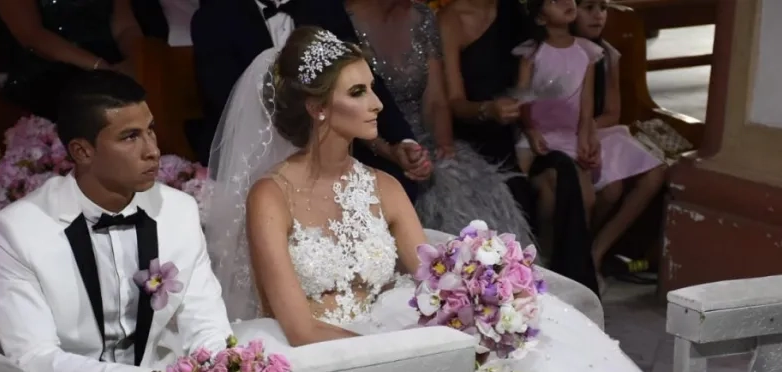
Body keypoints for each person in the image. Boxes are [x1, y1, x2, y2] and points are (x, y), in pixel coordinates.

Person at [203, 26, 745, 372]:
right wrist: (413, 354)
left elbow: (433, 277)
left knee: (544, 362)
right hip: (325, 350)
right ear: (319, 109)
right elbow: (298, 327)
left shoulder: (385, 187)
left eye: (374, 88)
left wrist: (476, 304)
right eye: (359, 93)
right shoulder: (271, 197)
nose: (377, 104)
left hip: (395, 320)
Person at [0, 70, 234, 372]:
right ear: (82, 151)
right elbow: (34, 360)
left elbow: (203, 317)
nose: (153, 150)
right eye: (130, 137)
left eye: (151, 131)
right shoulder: (18, 230)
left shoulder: (178, 211)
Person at [190, 0, 431, 201]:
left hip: (331, 137)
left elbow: (360, 75)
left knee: (394, 182)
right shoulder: (213, 17)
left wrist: (399, 140)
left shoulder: (322, 5)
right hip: (253, 149)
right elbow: (227, 101)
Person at [439, 0, 600, 294]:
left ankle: (565, 287)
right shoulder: (451, 18)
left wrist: (586, 128)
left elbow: (561, 51)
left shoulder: (517, 11)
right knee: (515, 195)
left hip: (523, 135)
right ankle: (522, 287)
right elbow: (452, 102)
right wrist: (488, 110)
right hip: (476, 142)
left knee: (563, 172)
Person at [344, 0, 532, 242]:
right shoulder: (343, 20)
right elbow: (348, 109)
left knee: (471, 192)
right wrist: (394, 151)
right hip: (370, 145)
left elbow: (435, 102)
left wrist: (444, 148)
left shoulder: (422, 17)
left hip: (424, 142)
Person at [572, 0, 667, 278]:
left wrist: (590, 127)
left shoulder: (608, 55)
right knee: (611, 191)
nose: (598, 16)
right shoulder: (558, 52)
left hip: (601, 130)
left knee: (655, 173)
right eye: (588, 8)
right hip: (566, 134)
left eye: (602, 8)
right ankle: (578, 246)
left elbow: (613, 113)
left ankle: (598, 249)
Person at [0, 0, 145, 121]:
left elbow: (125, 26)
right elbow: (31, 35)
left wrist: (137, 59)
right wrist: (100, 67)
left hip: (111, 67)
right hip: (48, 74)